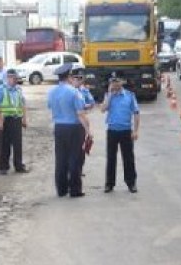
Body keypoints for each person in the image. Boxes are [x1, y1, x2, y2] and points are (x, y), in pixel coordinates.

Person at [47, 63, 91, 197]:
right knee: (74, 159)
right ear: (69, 77)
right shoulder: (74, 92)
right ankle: (75, 189)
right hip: (74, 128)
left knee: (60, 159)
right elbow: (81, 113)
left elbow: (50, 107)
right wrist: (88, 130)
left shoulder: (52, 92)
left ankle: (61, 189)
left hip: (59, 127)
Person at [100, 73, 140, 193]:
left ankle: (131, 183)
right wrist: (109, 94)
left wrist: (136, 130)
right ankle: (109, 184)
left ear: (122, 82)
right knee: (111, 158)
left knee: (128, 158)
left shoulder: (129, 95)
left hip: (126, 130)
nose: (115, 84)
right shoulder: (109, 95)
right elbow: (103, 109)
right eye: (112, 81)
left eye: (117, 81)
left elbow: (136, 113)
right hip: (112, 130)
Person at [0, 69, 29, 175]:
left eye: (16, 78)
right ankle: (3, 167)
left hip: (17, 119)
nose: (15, 80)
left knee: (18, 144)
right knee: (5, 144)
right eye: (13, 78)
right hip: (6, 120)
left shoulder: (18, 89)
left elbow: (23, 104)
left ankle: (19, 166)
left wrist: (24, 119)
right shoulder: (1, 89)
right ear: (8, 78)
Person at [69, 66, 94, 175]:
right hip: (69, 123)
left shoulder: (84, 90)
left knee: (81, 148)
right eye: (76, 78)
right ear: (71, 79)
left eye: (80, 78)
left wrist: (83, 106)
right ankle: (70, 169)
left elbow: (92, 103)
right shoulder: (68, 90)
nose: (78, 80)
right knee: (69, 148)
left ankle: (79, 168)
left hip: (81, 123)